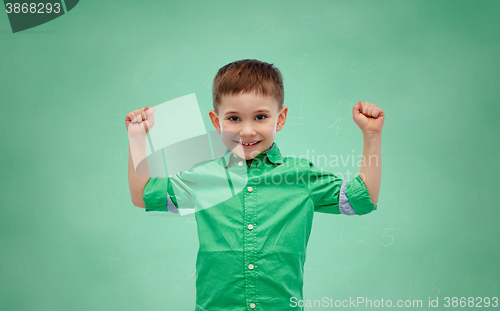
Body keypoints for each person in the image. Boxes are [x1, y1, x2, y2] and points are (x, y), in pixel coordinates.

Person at [125, 59, 384, 311]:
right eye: (234, 119)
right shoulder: (202, 178)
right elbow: (143, 194)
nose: (247, 131)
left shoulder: (300, 176)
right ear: (217, 123)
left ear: (280, 119)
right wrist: (137, 138)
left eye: (260, 117)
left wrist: (371, 135)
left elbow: (362, 199)